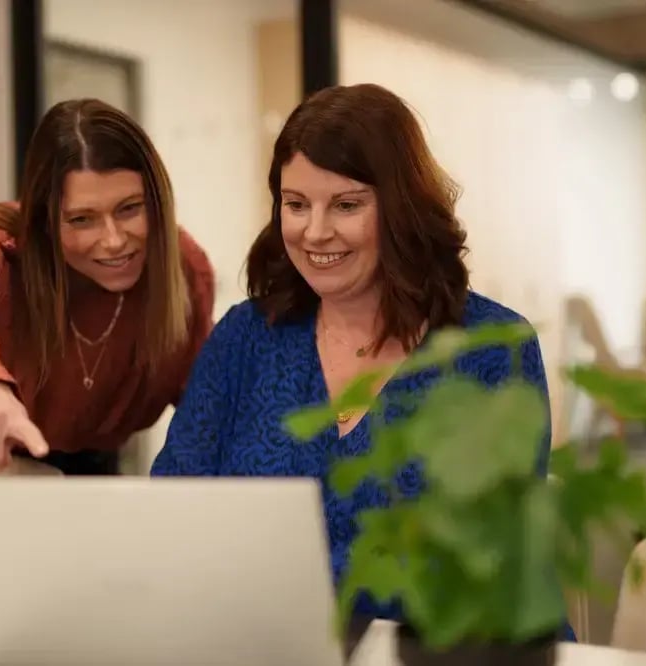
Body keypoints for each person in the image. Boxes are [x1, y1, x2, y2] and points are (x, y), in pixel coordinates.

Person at [151, 84, 575, 640]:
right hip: (269, 645)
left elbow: (491, 561)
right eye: (295, 204)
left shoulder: (492, 348)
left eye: (346, 205)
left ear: (400, 209)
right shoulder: (245, 337)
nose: (314, 231)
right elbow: (173, 513)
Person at [0, 98, 215, 475]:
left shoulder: (184, 267)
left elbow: (205, 398)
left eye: (130, 208)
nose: (114, 241)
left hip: (88, 462)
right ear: (45, 221)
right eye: (81, 219)